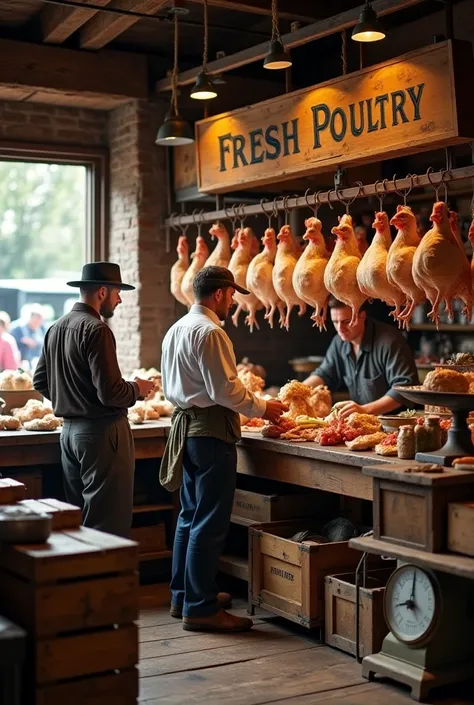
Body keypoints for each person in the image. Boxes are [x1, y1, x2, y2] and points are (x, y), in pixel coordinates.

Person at [160, 265, 287, 634]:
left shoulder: (177, 329)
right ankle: (200, 608)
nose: (232, 301)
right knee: (209, 521)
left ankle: (183, 595)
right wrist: (264, 407)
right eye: (231, 295)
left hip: (186, 428)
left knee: (189, 515)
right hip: (212, 431)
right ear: (219, 294)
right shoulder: (210, 332)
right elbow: (224, 391)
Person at [33, 262, 155, 538]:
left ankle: (84, 580)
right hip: (101, 434)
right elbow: (111, 393)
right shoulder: (97, 329)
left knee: (79, 524)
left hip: (69, 434)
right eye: (117, 292)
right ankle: (105, 581)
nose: (119, 298)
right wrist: (137, 388)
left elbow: (40, 381)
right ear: (102, 292)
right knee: (106, 527)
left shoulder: (56, 328)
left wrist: (72, 397)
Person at [304, 297, 418, 420]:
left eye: (346, 321)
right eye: (335, 322)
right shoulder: (339, 341)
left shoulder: (390, 341)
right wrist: (296, 390)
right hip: (362, 422)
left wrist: (364, 410)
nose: (340, 328)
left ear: (362, 316)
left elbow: (403, 390)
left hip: (396, 424)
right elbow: (324, 375)